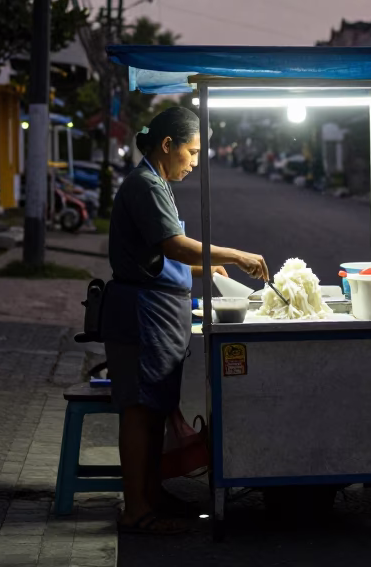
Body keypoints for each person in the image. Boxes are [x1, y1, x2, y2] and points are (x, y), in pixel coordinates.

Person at [101, 106, 269, 535]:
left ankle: (151, 495)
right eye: (192, 153)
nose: (195, 162)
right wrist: (234, 255)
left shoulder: (158, 183)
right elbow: (173, 246)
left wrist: (206, 269)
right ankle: (135, 509)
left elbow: (156, 256)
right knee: (139, 412)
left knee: (155, 410)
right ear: (167, 145)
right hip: (141, 316)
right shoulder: (144, 184)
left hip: (158, 315)